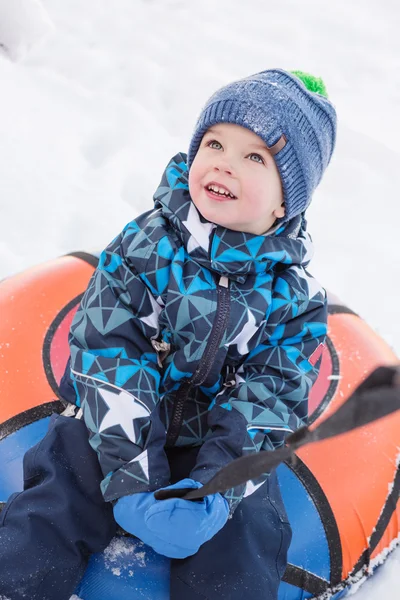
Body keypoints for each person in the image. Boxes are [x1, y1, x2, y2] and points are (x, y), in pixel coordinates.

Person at [0, 68, 337, 600]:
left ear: (285, 202)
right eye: (215, 142)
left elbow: (272, 397)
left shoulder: (295, 302)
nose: (224, 161)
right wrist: (132, 477)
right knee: (57, 494)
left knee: (247, 535)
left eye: (255, 157)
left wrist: (216, 491)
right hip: (115, 426)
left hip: (218, 444)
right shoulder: (144, 248)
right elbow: (110, 352)